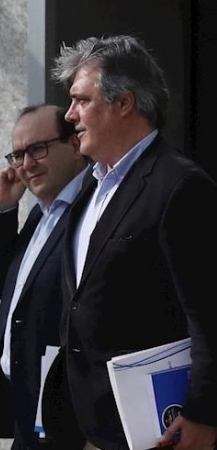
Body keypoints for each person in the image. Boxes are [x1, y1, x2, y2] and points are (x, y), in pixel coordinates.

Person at [42, 34, 217, 450]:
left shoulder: (181, 187)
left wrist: (204, 414)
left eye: (82, 101)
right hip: (88, 427)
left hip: (161, 430)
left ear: (124, 104)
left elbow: (210, 314)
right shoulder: (89, 186)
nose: (70, 115)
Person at [0, 104, 88, 450]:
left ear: (74, 146)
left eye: (38, 149)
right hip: (24, 407)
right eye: (18, 154)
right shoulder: (41, 216)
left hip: (63, 415)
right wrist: (4, 209)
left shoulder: (93, 210)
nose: (26, 165)